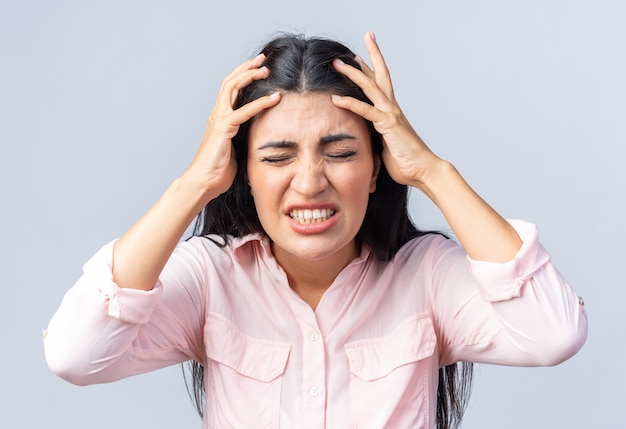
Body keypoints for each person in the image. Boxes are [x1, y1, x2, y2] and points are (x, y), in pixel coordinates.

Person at [44, 32, 587, 429]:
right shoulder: (210, 277)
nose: (309, 183)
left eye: (341, 153)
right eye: (278, 156)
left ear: (377, 167)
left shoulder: (425, 276)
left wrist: (431, 170)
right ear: (243, 174)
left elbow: (553, 333)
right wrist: (194, 184)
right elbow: (74, 353)